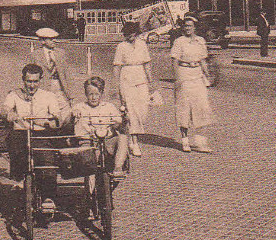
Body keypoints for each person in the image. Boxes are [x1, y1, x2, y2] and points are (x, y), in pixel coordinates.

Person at [0, 63, 70, 210]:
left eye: (35, 81)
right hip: (21, 134)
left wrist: (48, 122)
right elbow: (3, 111)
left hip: (41, 134)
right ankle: (20, 179)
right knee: (16, 147)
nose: (32, 85)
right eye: (29, 81)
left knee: (47, 161)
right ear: (23, 80)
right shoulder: (14, 94)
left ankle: (49, 198)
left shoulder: (48, 96)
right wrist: (9, 114)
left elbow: (58, 121)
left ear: (40, 80)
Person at [169, 15, 215, 153]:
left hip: (197, 75)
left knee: (201, 107)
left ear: (195, 28)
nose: (188, 28)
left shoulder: (200, 41)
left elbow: (202, 60)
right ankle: (185, 140)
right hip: (184, 74)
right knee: (184, 108)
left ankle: (200, 142)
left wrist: (207, 75)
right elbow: (175, 62)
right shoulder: (179, 42)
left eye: (190, 26)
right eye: (186, 26)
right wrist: (177, 79)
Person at [113, 21, 159, 158]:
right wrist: (115, 86)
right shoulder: (121, 47)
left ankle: (132, 135)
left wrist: (151, 82)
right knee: (131, 111)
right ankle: (134, 142)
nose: (130, 36)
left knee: (142, 111)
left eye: (132, 33)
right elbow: (116, 67)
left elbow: (147, 64)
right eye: (127, 34)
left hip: (141, 78)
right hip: (127, 79)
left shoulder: (142, 44)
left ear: (136, 33)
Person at [72, 76, 128, 177]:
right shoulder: (79, 107)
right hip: (87, 141)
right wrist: (74, 114)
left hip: (107, 141)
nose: (94, 98)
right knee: (88, 164)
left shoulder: (109, 107)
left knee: (123, 138)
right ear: (86, 94)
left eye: (97, 94)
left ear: (101, 93)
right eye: (90, 94)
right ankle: (90, 182)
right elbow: (70, 120)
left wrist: (121, 120)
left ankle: (118, 168)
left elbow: (118, 123)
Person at [33, 27, 72, 105]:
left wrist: (70, 94)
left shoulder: (61, 53)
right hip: (43, 88)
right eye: (51, 39)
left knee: (64, 110)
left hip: (59, 87)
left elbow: (67, 73)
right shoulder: (35, 55)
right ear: (42, 41)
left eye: (54, 38)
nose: (54, 40)